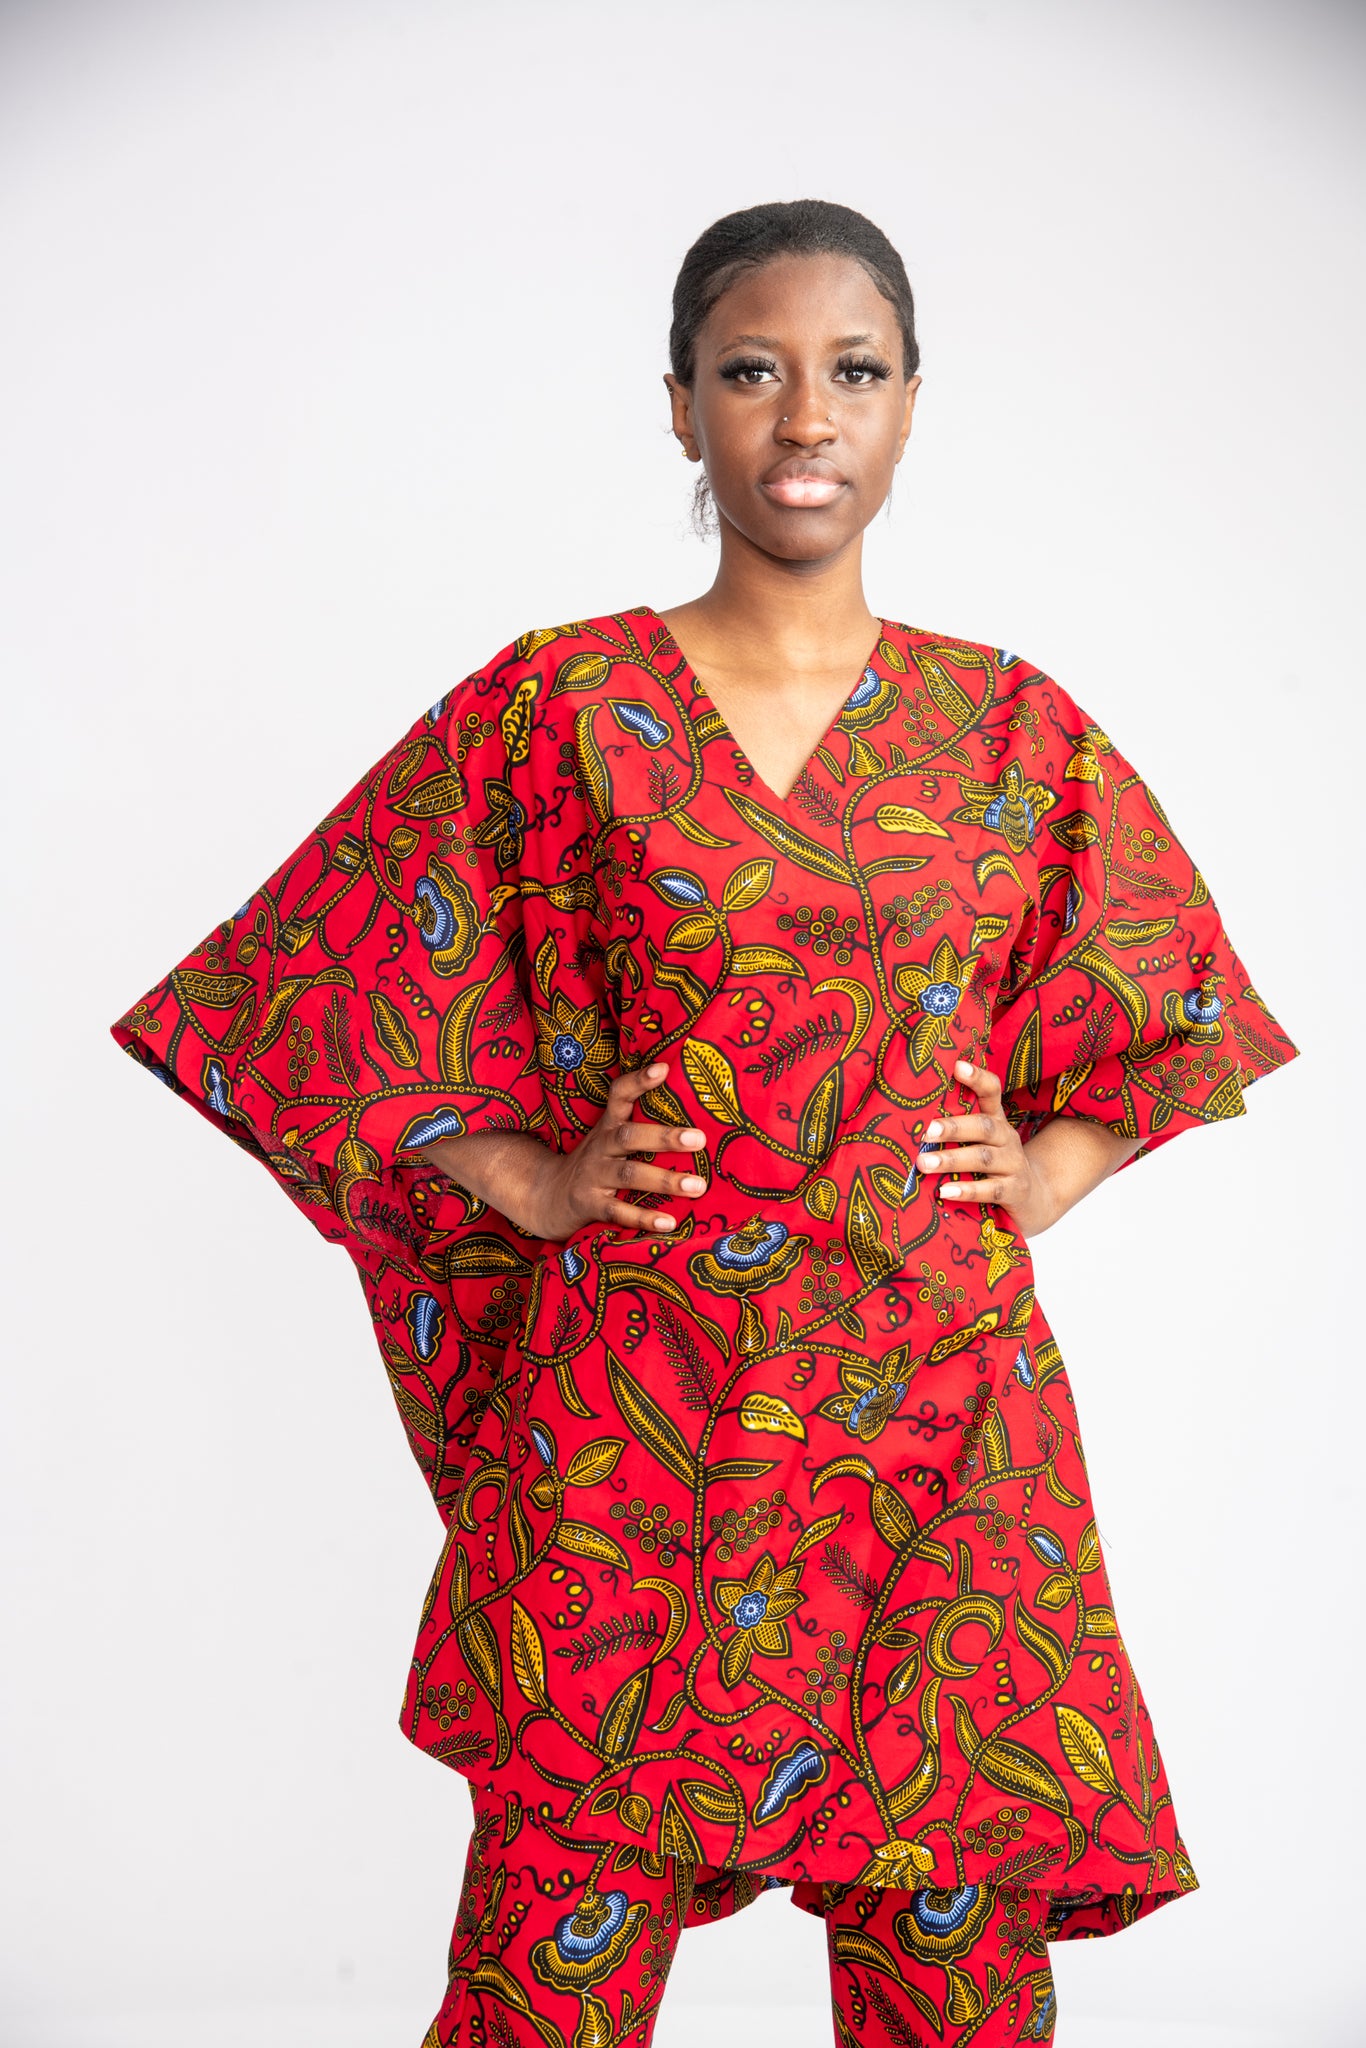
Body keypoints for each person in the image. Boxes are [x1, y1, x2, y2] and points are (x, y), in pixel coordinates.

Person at [112, 199, 1297, 2047]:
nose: (804, 417)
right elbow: (316, 981)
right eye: (752, 371)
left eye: (853, 373)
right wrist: (528, 1176)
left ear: (909, 406)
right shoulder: (560, 702)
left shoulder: (1008, 729)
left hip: (937, 1415)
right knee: (546, 1979)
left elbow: (1168, 1001)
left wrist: (1050, 1166)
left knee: (951, 1980)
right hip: (644, 1418)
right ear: (680, 404)